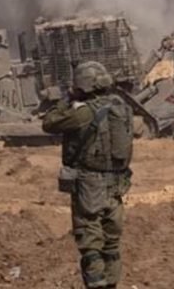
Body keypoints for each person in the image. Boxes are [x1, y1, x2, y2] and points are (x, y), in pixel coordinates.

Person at [41, 61, 134, 289]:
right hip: (117, 183)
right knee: (111, 245)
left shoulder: (83, 112)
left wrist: (66, 99)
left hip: (90, 185)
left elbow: (49, 123)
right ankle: (111, 284)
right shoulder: (121, 107)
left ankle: (96, 285)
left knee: (90, 242)